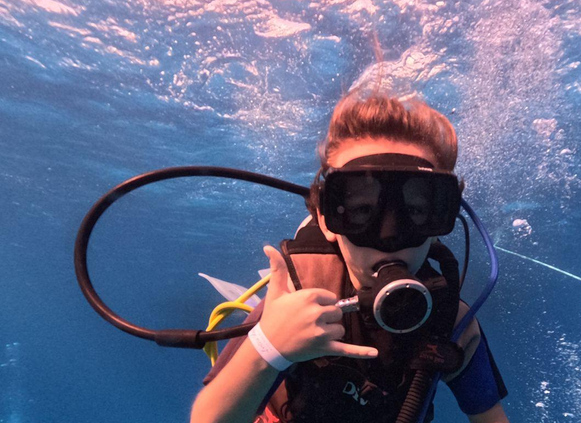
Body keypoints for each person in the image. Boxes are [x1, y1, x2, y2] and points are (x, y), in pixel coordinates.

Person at [190, 92, 509, 423]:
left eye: (415, 211)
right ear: (326, 221)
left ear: (441, 218)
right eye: (361, 211)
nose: (390, 238)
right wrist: (269, 346)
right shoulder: (296, 299)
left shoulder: (451, 322)